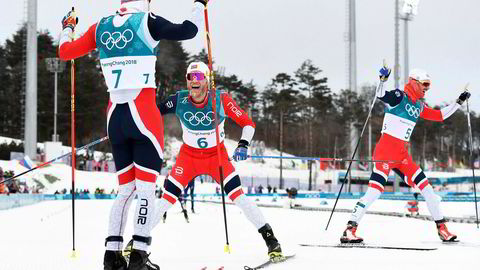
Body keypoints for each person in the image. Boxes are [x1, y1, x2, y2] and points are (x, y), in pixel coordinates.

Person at [58, 0, 206, 269]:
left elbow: (66, 52)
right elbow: (189, 30)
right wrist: (199, 5)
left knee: (125, 190)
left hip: (115, 117)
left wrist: (68, 28)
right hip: (144, 115)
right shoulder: (147, 20)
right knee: (146, 189)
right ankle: (138, 255)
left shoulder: (100, 26)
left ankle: (112, 256)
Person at [153, 61, 284, 261]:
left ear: (207, 81)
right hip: (188, 157)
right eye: (190, 77)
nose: (194, 82)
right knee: (166, 199)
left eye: (198, 77)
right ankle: (136, 243)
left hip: (217, 157)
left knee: (239, 198)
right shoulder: (178, 100)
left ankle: (271, 240)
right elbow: (153, 112)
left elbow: (247, 123)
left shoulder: (220, 99)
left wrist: (242, 144)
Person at [341, 65, 470, 243]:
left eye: (429, 85)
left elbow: (440, 116)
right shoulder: (400, 97)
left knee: (428, 191)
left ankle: (442, 229)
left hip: (402, 156)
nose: (427, 88)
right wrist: (383, 80)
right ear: (414, 82)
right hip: (385, 153)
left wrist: (458, 102)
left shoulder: (419, 105)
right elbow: (381, 94)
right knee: (374, 192)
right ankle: (350, 229)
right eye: (425, 84)